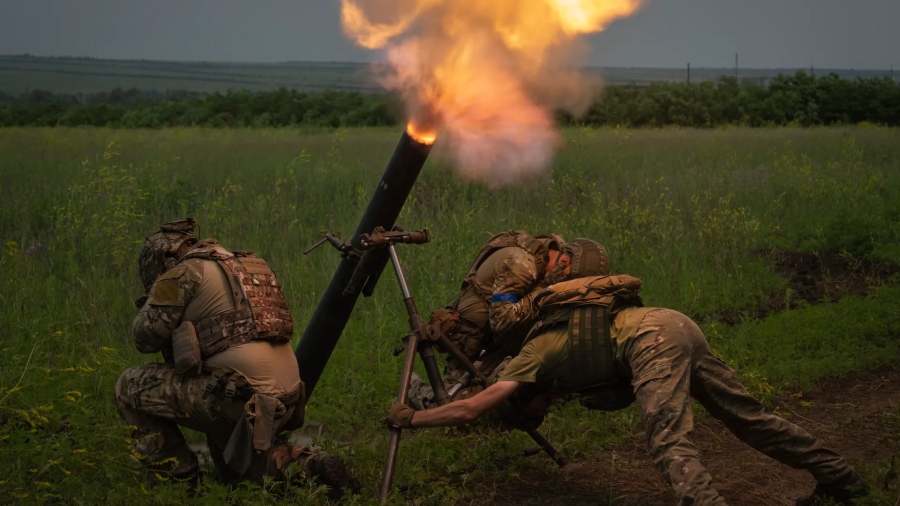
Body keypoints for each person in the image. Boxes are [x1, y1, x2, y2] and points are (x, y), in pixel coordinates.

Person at [387, 251, 868, 505]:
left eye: (532, 413)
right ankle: (840, 477)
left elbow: (472, 406)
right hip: (674, 324)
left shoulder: (530, 358)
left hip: (651, 343)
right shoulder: (552, 345)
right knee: (749, 418)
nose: (542, 414)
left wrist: (411, 417)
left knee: (669, 443)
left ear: (526, 396)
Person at [115, 218, 359, 496]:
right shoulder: (248, 265)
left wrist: (153, 297)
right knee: (237, 472)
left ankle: (177, 482)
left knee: (128, 386)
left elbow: (144, 337)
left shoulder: (182, 272)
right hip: (285, 398)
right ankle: (311, 467)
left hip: (237, 397)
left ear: (161, 260)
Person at [411, 232, 609, 407]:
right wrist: (546, 290)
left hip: (507, 336)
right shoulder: (521, 264)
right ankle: (413, 386)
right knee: (453, 408)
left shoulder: (556, 254)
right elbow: (501, 320)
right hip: (475, 339)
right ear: (565, 262)